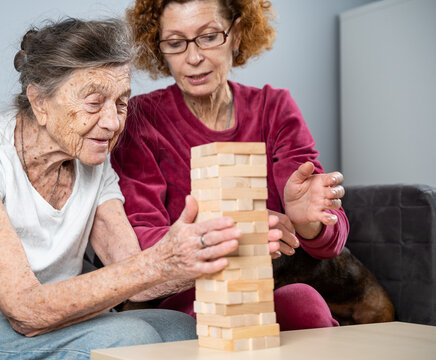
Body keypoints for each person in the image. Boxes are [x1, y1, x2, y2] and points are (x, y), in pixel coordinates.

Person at [0, 17, 257, 359]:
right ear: (39, 102)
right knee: (128, 340)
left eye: (121, 102)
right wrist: (160, 262)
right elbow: (24, 308)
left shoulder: (92, 163)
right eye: (94, 103)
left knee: (181, 330)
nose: (113, 122)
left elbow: (138, 278)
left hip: (31, 322)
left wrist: (215, 250)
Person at [112, 0, 349, 330]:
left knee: (305, 303)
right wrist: (241, 232)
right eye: (176, 43)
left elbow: (329, 233)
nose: (193, 58)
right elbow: (141, 241)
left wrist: (308, 220)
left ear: (236, 34)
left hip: (265, 284)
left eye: (209, 37)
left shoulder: (274, 107)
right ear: (159, 48)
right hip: (187, 293)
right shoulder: (141, 120)